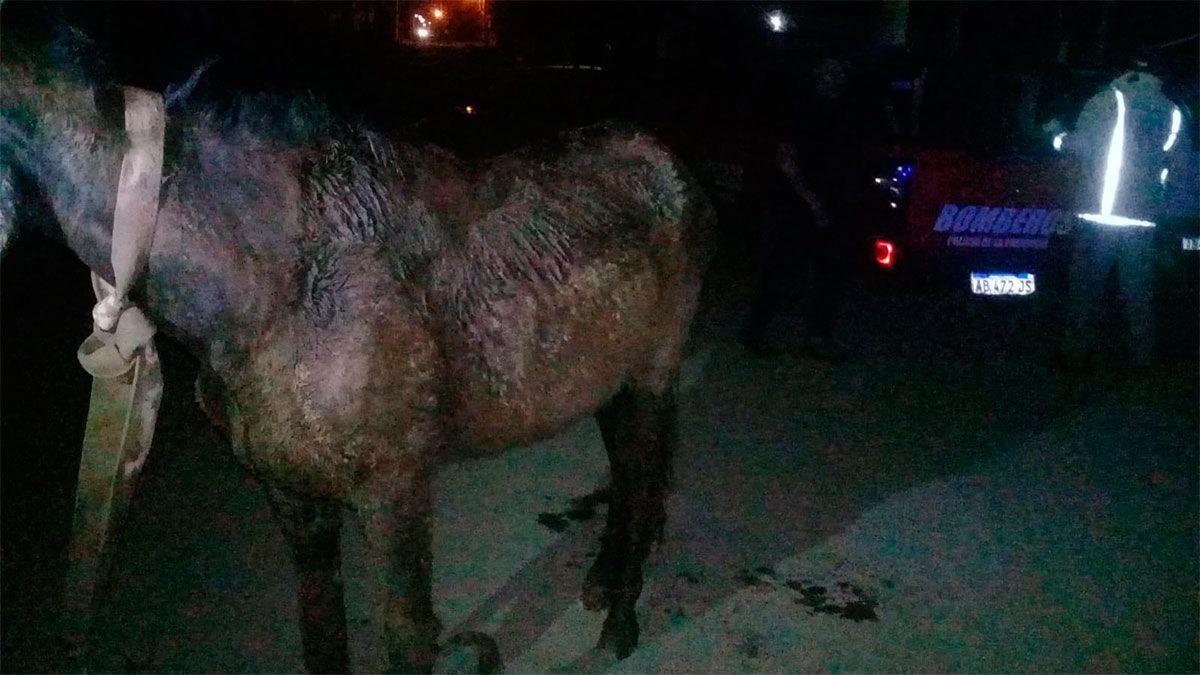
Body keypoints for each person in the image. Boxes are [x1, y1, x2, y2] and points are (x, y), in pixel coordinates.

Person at [1057, 57, 1194, 370]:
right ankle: (1141, 358)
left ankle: (1076, 353)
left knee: (1085, 290)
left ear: (1125, 73)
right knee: (1138, 294)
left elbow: (1081, 147)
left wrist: (1056, 136)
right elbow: (1181, 170)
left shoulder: (1105, 100)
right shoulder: (1171, 112)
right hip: (1141, 220)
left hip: (1098, 216)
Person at [741, 57, 862, 360]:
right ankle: (754, 332)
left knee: (833, 274)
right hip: (797, 207)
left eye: (840, 71)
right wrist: (812, 202)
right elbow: (786, 159)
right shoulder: (800, 108)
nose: (834, 76)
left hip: (835, 207)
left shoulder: (847, 111)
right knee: (782, 272)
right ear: (816, 72)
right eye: (828, 69)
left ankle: (818, 338)